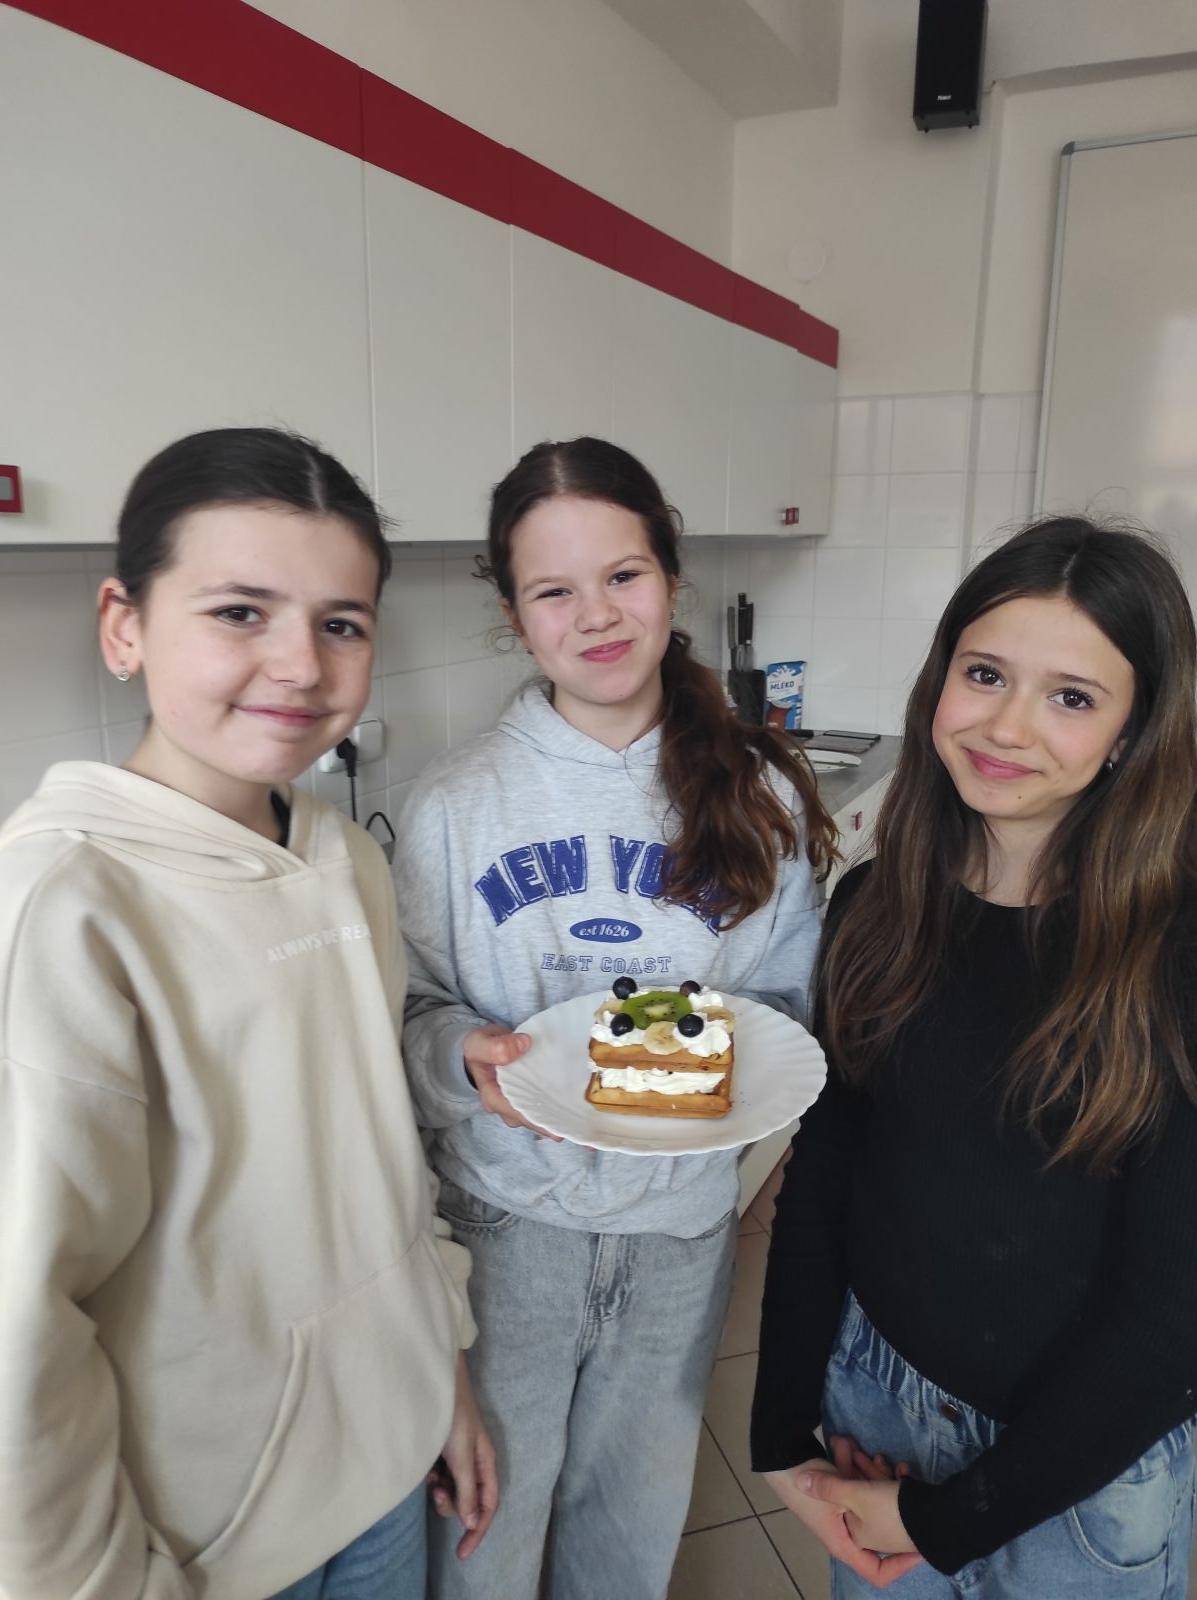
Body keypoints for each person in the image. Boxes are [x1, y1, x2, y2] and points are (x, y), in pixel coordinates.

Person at [0, 428, 495, 1600]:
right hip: (205, 1540)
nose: (300, 665)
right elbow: (24, 1325)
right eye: (239, 612)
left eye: (342, 623)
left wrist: (438, 1365)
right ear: (124, 625)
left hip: (385, 1467)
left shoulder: (339, 854)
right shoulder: (68, 903)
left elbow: (381, 1158)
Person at [391, 436, 838, 1600]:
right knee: (481, 1543)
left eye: (623, 575)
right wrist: (459, 1053)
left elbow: (786, 999)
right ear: (513, 613)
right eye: (554, 590)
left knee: (627, 1542)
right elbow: (413, 1011)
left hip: (681, 1232)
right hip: (503, 1231)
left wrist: (719, 1074)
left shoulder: (761, 794)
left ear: (671, 579)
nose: (595, 614)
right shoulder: (453, 806)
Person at [751, 517, 1197, 1597]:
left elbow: (1172, 1314)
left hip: (1082, 1468)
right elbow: (825, 1177)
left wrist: (948, 1516)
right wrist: (778, 1427)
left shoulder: (1175, 953)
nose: (1006, 726)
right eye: (984, 673)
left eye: (1071, 697)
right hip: (872, 1410)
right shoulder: (876, 906)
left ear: (1133, 732)